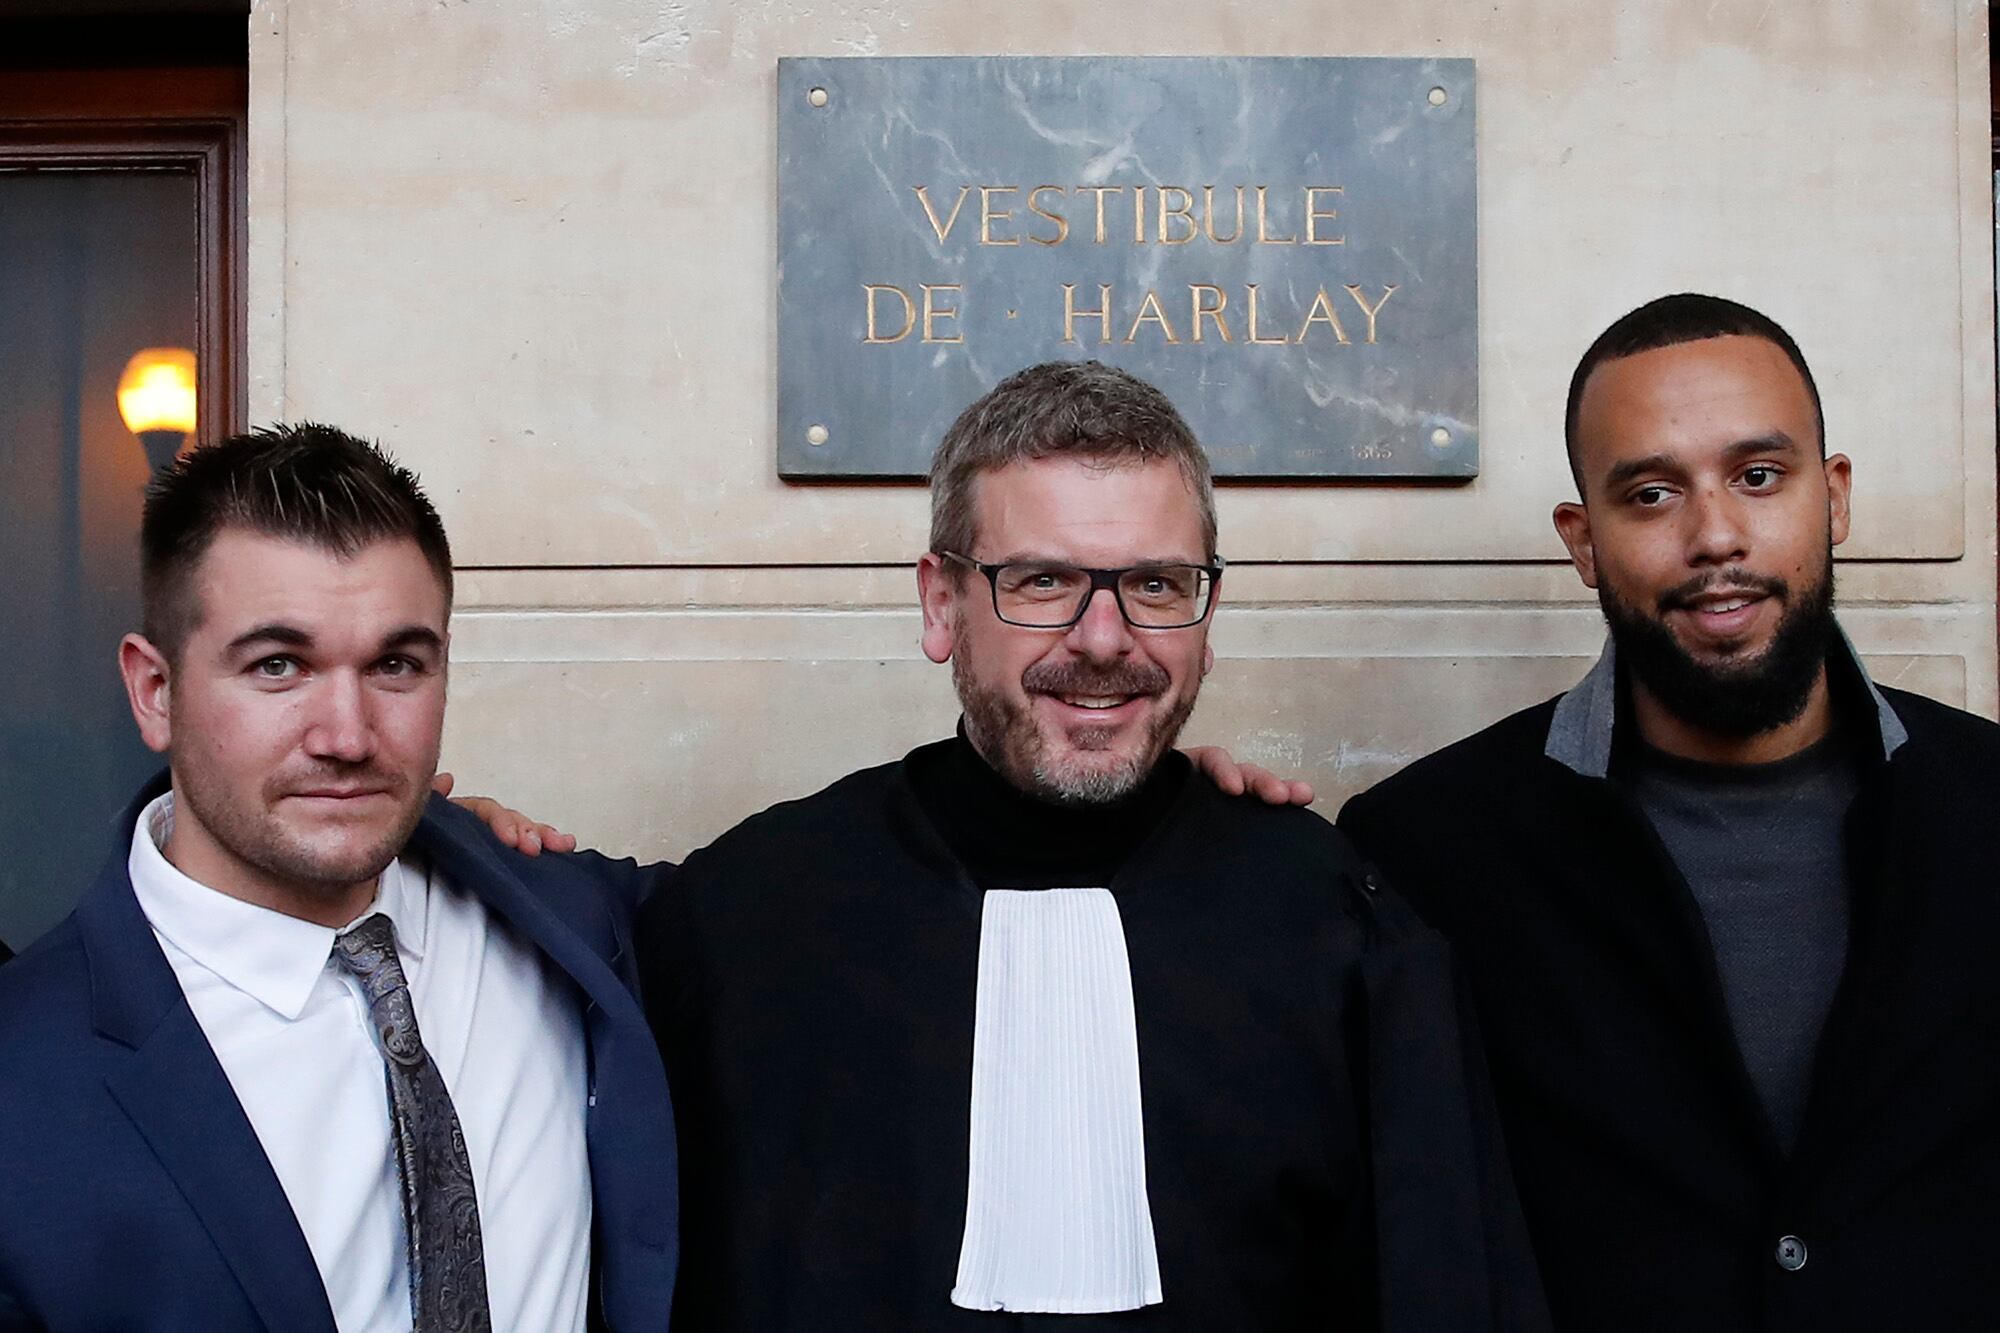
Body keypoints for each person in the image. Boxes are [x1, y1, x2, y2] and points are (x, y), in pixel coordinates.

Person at [636, 360, 1547, 1331]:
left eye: (1155, 584)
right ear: (940, 604)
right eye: (1043, 580)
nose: (1104, 638)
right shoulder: (747, 918)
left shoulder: (1339, 931)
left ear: (1207, 614)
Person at [1338, 293, 2000, 1331]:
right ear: (1582, 540)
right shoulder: (1424, 848)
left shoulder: (1985, 800)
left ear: (1832, 499)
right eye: (1648, 494)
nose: (1714, 535)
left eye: (1756, 476)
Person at [0, 425, 677, 1332]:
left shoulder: (563, 917)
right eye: (278, 665)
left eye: (396, 664)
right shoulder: (27, 1070)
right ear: (155, 690)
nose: (348, 736)